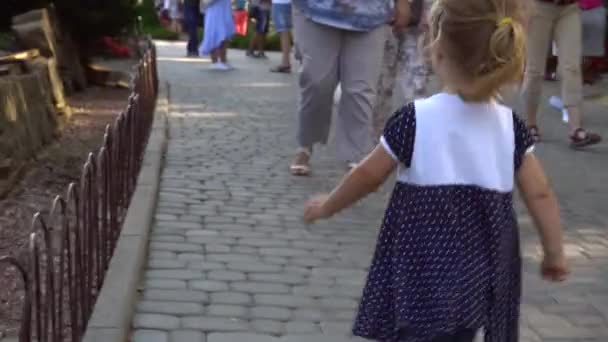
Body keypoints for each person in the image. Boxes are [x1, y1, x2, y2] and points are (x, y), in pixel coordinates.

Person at [303, 0, 569, 340]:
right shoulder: (511, 127)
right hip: (480, 272)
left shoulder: (414, 119)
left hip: (421, 270)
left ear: (438, 51)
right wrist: (554, 252)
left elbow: (368, 177)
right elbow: (540, 193)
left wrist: (328, 205)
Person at [289, 0, 410, 175]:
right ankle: (305, 144)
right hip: (315, 8)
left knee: (360, 89)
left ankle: (357, 155)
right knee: (316, 82)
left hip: (371, 12)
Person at [521, 0, 602, 148]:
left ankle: (575, 130)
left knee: (572, 67)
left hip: (569, 7)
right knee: (535, 70)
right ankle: (530, 125)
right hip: (538, 7)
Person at [372, 0, 434, 140]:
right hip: (382, 17)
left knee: (417, 89)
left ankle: (416, 143)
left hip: (418, 25)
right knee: (379, 87)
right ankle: (376, 146)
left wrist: (428, 11)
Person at [199, 0, 235, 70]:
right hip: (215, 12)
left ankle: (223, 61)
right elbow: (205, 2)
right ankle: (214, 62)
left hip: (225, 11)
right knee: (215, 35)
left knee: (225, 36)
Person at [270, 0, 293, 73]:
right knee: (285, 32)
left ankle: (285, 63)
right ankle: (286, 62)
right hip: (288, 3)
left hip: (281, 3)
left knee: (283, 32)